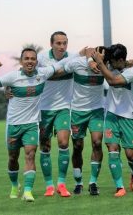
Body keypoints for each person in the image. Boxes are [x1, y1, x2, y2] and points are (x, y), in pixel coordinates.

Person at [0, 48, 65, 202]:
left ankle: (28, 191)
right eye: (26, 58)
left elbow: (61, 63)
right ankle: (15, 185)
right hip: (14, 126)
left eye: (33, 59)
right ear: (21, 61)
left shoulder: (42, 74)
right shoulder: (13, 77)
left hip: (32, 124)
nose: (30, 61)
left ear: (37, 61)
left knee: (30, 155)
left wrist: (81, 55)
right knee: (13, 158)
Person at [91, 44, 133, 197]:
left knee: (131, 155)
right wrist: (95, 60)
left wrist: (100, 63)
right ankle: (120, 187)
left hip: (128, 116)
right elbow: (95, 55)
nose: (110, 64)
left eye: (113, 61)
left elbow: (113, 81)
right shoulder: (109, 66)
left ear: (120, 60)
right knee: (113, 150)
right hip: (111, 115)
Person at [63, 46, 106, 196]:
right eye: (96, 54)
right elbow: (63, 69)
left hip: (97, 110)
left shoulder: (105, 65)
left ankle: (93, 182)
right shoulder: (77, 63)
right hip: (77, 111)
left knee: (97, 143)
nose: (100, 57)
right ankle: (78, 182)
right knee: (77, 146)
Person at [37, 31, 74, 197]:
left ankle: (61, 183)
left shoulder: (73, 57)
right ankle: (49, 186)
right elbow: (45, 74)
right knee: (44, 146)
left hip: (64, 107)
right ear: (51, 44)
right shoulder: (42, 57)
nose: (62, 46)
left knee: (64, 143)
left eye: (64, 43)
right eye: (58, 43)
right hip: (43, 108)